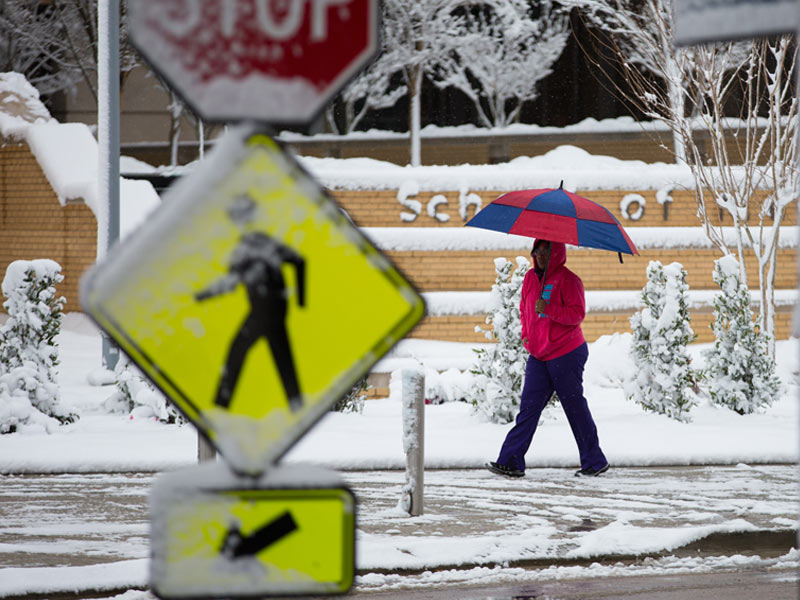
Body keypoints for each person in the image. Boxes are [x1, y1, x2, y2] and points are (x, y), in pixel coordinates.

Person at [486, 239, 609, 478]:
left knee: (574, 408)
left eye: (546, 251)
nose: (540, 255)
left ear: (556, 254)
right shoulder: (531, 278)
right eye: (538, 251)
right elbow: (524, 310)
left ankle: (594, 461)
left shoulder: (569, 280)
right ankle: (511, 461)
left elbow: (576, 314)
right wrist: (527, 337)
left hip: (566, 353)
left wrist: (550, 308)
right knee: (528, 409)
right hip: (539, 355)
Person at [195, 194, 306, 413]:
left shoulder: (251, 245)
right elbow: (298, 261)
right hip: (276, 309)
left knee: (237, 353)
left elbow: (230, 282)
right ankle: (295, 403)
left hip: (264, 312)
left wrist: (198, 297)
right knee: (283, 360)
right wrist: (298, 301)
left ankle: (220, 406)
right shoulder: (261, 242)